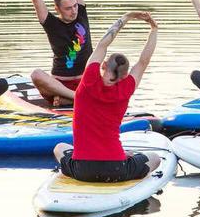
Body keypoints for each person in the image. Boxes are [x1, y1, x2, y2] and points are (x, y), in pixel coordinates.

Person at [53, 11, 161, 183]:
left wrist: (126, 17)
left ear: (103, 65)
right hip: (117, 168)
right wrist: (154, 29)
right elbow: (143, 62)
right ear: (125, 75)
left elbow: (102, 46)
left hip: (82, 169)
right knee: (155, 158)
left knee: (60, 148)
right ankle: (128, 165)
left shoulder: (88, 80)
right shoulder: (126, 88)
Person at [21, 0, 92, 107]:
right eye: (68, 8)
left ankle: (71, 99)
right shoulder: (50, 23)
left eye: (74, 6)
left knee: (111, 63)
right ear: (58, 9)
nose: (74, 11)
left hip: (85, 81)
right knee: (36, 75)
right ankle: (76, 97)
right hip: (59, 86)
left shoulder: (80, 12)